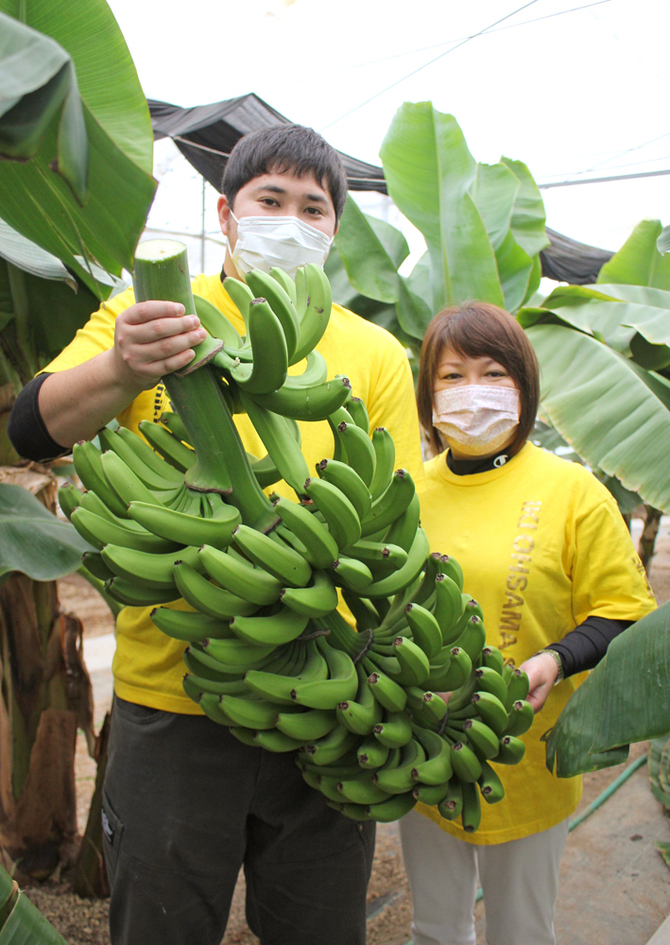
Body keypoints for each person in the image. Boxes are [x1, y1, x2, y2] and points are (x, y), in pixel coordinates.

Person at [8, 125, 424, 945]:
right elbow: (33, 426)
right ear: (228, 213)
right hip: (175, 700)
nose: (291, 221)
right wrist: (124, 368)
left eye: (314, 208)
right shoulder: (151, 312)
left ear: (334, 228)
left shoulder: (373, 354)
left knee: (317, 928)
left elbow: (400, 517)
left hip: (323, 691)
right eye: (271, 200)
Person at [399, 301, 655, 945]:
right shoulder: (405, 494)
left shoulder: (572, 492)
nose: (472, 392)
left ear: (525, 386)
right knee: (434, 928)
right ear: (428, 395)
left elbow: (624, 614)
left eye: (492, 373)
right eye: (451, 377)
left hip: (528, 757)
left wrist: (555, 659)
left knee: (521, 932)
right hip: (421, 749)